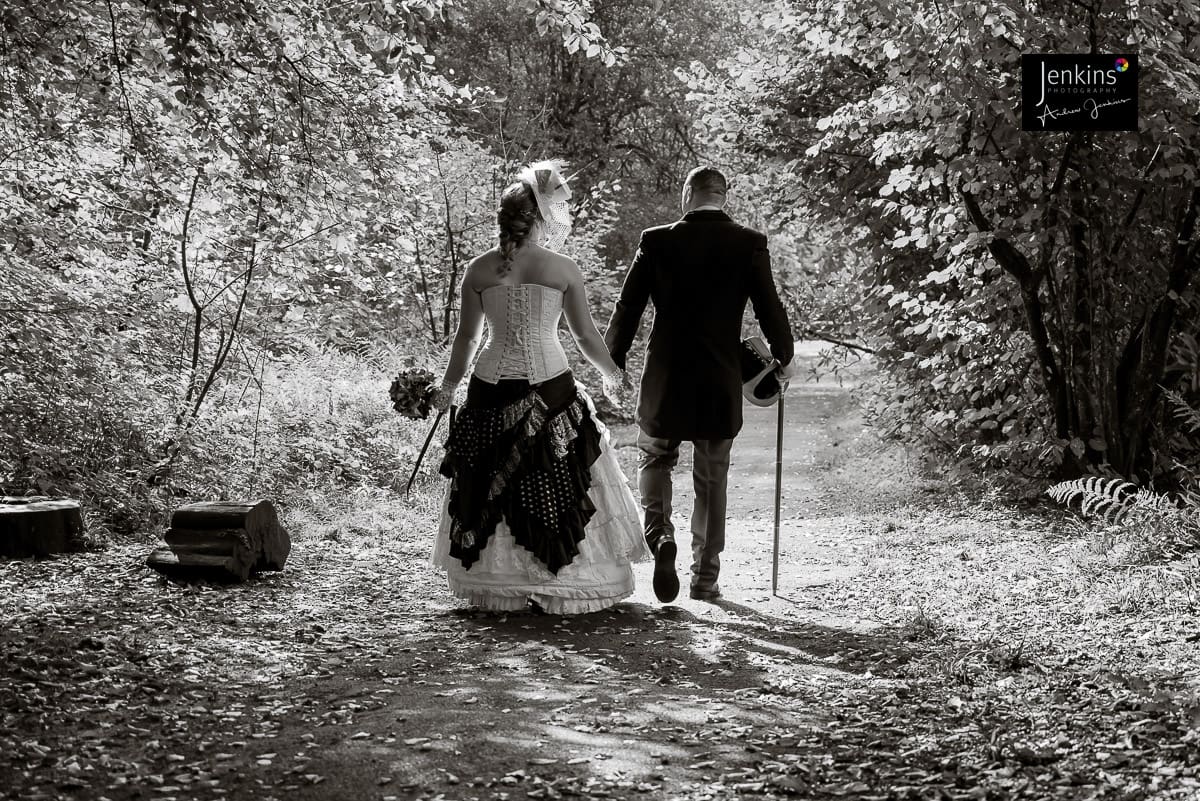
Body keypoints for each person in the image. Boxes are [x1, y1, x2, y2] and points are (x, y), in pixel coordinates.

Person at [429, 160, 650, 614]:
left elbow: (469, 339)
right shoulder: (561, 268)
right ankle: (565, 579)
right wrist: (613, 373)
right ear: (541, 217)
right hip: (551, 384)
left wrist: (448, 387)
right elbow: (585, 337)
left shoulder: (478, 269)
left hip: (490, 387)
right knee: (558, 478)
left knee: (490, 478)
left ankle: (497, 583)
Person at [604, 166, 795, 603]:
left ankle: (660, 537)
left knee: (654, 458)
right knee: (712, 477)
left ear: (686, 194)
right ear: (723, 197)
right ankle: (704, 578)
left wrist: (613, 365)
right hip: (718, 376)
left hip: (665, 376)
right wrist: (783, 357)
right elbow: (769, 306)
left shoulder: (656, 240)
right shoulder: (749, 243)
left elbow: (628, 307)